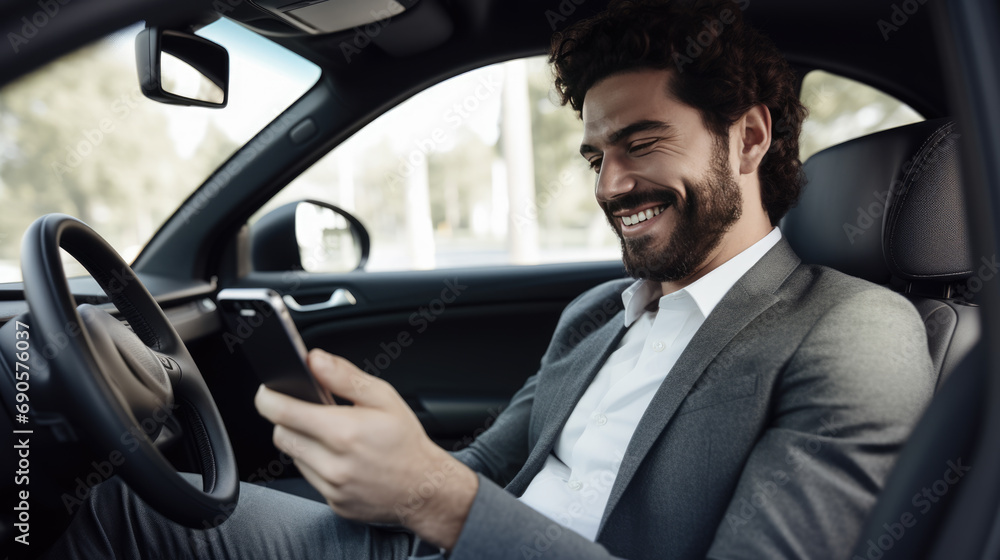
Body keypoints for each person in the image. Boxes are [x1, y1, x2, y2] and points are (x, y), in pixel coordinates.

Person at [44, 0, 934, 558]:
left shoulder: (854, 330)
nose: (610, 185)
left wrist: (437, 499)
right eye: (595, 155)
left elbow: (459, 495)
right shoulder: (601, 312)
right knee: (111, 506)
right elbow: (489, 469)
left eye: (642, 143)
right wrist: (381, 454)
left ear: (749, 138)